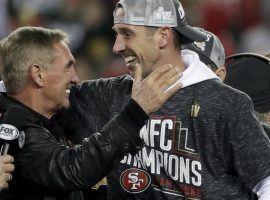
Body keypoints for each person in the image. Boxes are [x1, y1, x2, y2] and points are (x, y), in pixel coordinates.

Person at [60, 0, 270, 199]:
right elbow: (38, 104)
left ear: (163, 36)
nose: (117, 46)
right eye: (117, 34)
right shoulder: (107, 94)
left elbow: (266, 182)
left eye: (127, 34)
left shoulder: (227, 104)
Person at [0, 26, 181, 200]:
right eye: (67, 67)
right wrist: (135, 113)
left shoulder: (46, 119)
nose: (75, 78)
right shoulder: (11, 131)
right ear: (38, 75)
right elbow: (72, 169)